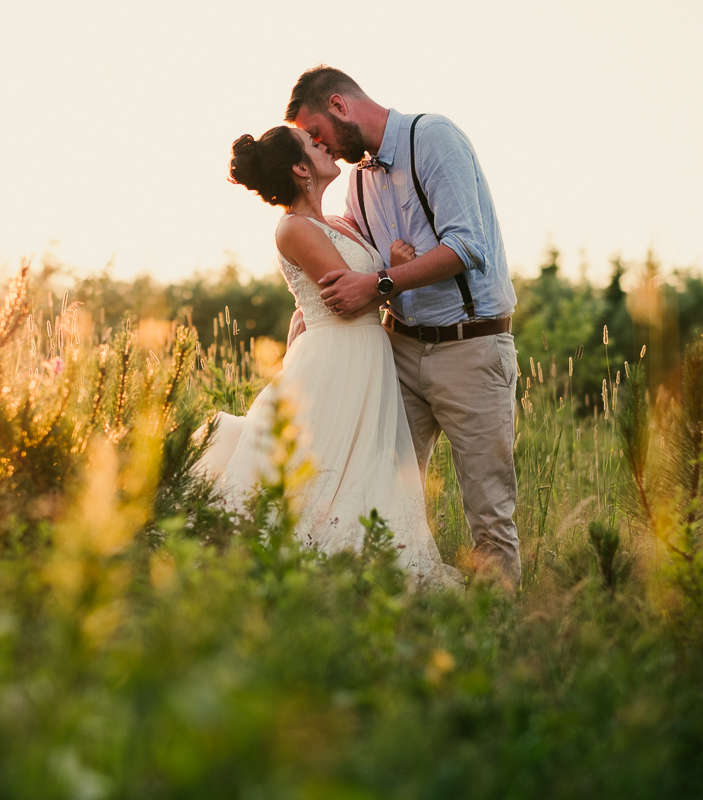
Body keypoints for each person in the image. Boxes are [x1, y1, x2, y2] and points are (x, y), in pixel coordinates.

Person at [195, 125, 462, 592]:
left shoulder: (336, 223)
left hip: (364, 357)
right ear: (301, 170)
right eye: (312, 146)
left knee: (365, 465)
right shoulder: (293, 228)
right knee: (325, 466)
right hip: (334, 361)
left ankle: (362, 570)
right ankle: (308, 574)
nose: (323, 145)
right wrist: (395, 270)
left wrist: (387, 270)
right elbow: (348, 298)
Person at [285, 66, 521, 588]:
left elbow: (466, 248)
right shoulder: (359, 183)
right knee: (378, 496)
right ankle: (385, 628)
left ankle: (504, 638)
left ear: (341, 106)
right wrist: (310, 315)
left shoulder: (434, 138)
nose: (318, 147)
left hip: (470, 350)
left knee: (488, 510)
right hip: (397, 355)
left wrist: (381, 284)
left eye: (317, 134)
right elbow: (352, 268)